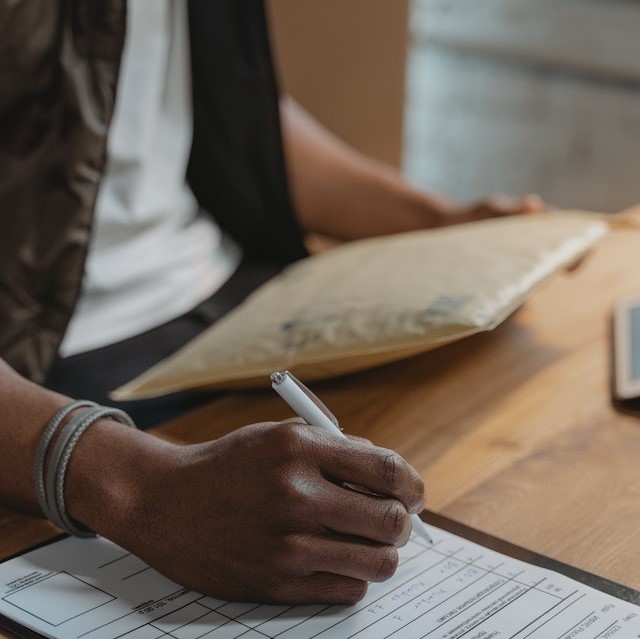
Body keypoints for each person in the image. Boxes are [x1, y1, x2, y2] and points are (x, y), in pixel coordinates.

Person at [0, 0, 543, 604]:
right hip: (49, 379)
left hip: (244, 306)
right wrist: (141, 490)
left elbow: (232, 111)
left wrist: (441, 223)